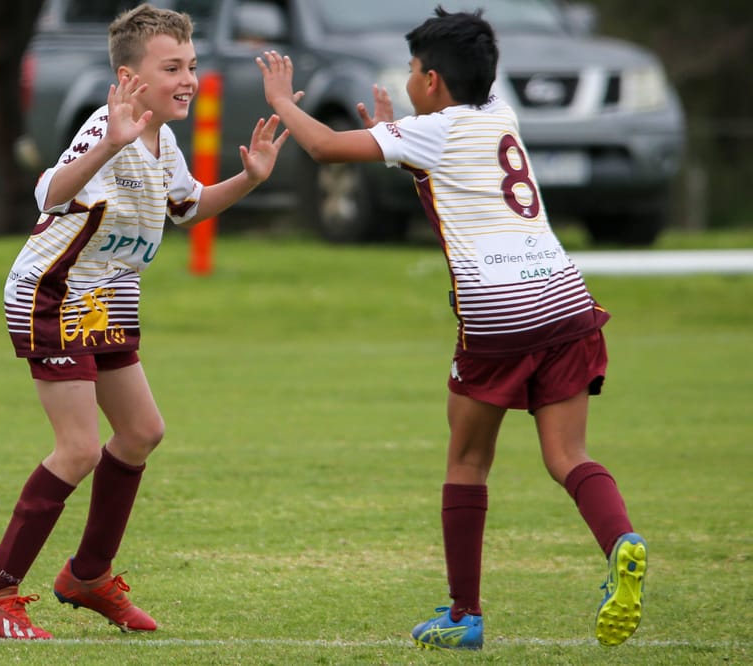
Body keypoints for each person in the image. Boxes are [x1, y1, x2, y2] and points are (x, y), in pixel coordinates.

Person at [257, 6, 646, 651]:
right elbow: (450, 179)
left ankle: (464, 617)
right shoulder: (501, 119)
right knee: (568, 456)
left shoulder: (432, 129)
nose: (409, 80)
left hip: (499, 313)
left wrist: (280, 99)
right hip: (567, 300)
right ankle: (622, 541)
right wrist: (393, 134)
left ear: (433, 80)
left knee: (467, 459)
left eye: (413, 71)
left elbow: (325, 146)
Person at [0, 3, 290, 640]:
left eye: (190, 65)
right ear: (128, 77)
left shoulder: (160, 137)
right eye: (172, 67)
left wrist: (248, 180)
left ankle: (87, 576)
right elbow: (50, 195)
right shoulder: (108, 126)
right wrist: (107, 142)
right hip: (53, 294)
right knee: (80, 447)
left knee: (140, 432)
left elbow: (187, 208)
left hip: (107, 297)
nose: (188, 79)